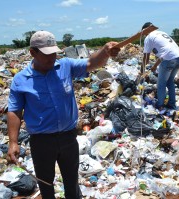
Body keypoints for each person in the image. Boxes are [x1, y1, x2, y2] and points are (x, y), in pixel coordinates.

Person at [7, 30, 120, 199]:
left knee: (71, 181)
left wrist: (105, 52)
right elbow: (15, 111)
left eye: (54, 53)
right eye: (47, 54)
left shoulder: (65, 66)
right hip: (41, 142)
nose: (52, 58)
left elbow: (91, 63)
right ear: (32, 53)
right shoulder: (21, 79)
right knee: (46, 184)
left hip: (68, 138)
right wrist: (13, 142)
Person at [141, 22, 179, 110]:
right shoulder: (162, 33)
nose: (144, 36)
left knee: (161, 84)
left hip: (168, 60)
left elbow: (146, 59)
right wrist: (155, 66)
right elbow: (164, 53)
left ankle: (160, 105)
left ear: (145, 30)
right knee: (170, 81)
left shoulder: (148, 37)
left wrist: (142, 71)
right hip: (178, 58)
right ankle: (172, 104)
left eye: (143, 33)